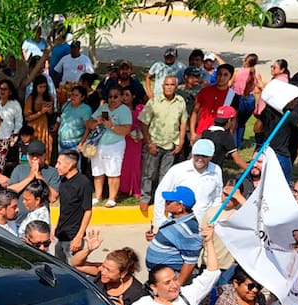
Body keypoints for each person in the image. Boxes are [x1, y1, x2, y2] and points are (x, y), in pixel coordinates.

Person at [137, 75, 189, 214]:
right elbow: (143, 122)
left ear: (176, 87)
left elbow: (183, 121)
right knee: (149, 173)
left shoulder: (180, 101)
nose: (169, 87)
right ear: (162, 86)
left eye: (172, 85)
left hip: (171, 144)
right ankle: (145, 198)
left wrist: (181, 141)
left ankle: (161, 200)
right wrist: (149, 143)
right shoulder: (154, 101)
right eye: (167, 84)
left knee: (165, 176)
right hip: (155, 143)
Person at [151, 140, 224, 226]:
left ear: (211, 157)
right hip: (179, 223)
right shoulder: (178, 170)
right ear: (192, 154)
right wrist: (160, 221)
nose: (200, 159)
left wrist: (213, 219)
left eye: (204, 156)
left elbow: (217, 197)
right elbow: (161, 194)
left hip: (203, 224)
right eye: (197, 155)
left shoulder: (216, 171)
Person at [144, 186, 201, 284]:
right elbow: (174, 241)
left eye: (169, 202)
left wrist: (177, 286)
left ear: (180, 207)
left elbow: (190, 262)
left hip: (170, 280)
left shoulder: (188, 231)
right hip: (159, 276)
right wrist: (156, 238)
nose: (165, 203)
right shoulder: (175, 218)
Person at [85, 86, 132, 207]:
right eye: (110, 96)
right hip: (99, 144)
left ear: (121, 98)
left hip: (115, 145)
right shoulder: (103, 107)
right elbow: (89, 123)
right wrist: (97, 122)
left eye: (115, 96)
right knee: (97, 171)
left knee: (113, 172)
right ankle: (98, 196)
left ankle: (112, 198)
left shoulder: (125, 110)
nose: (112, 99)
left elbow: (126, 130)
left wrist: (111, 126)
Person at [53, 150, 93, 262]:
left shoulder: (83, 183)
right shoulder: (63, 181)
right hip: (61, 235)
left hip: (73, 237)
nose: (56, 166)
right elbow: (64, 208)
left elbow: (88, 211)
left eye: (59, 163)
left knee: (74, 269)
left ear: (70, 165)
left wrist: (78, 237)